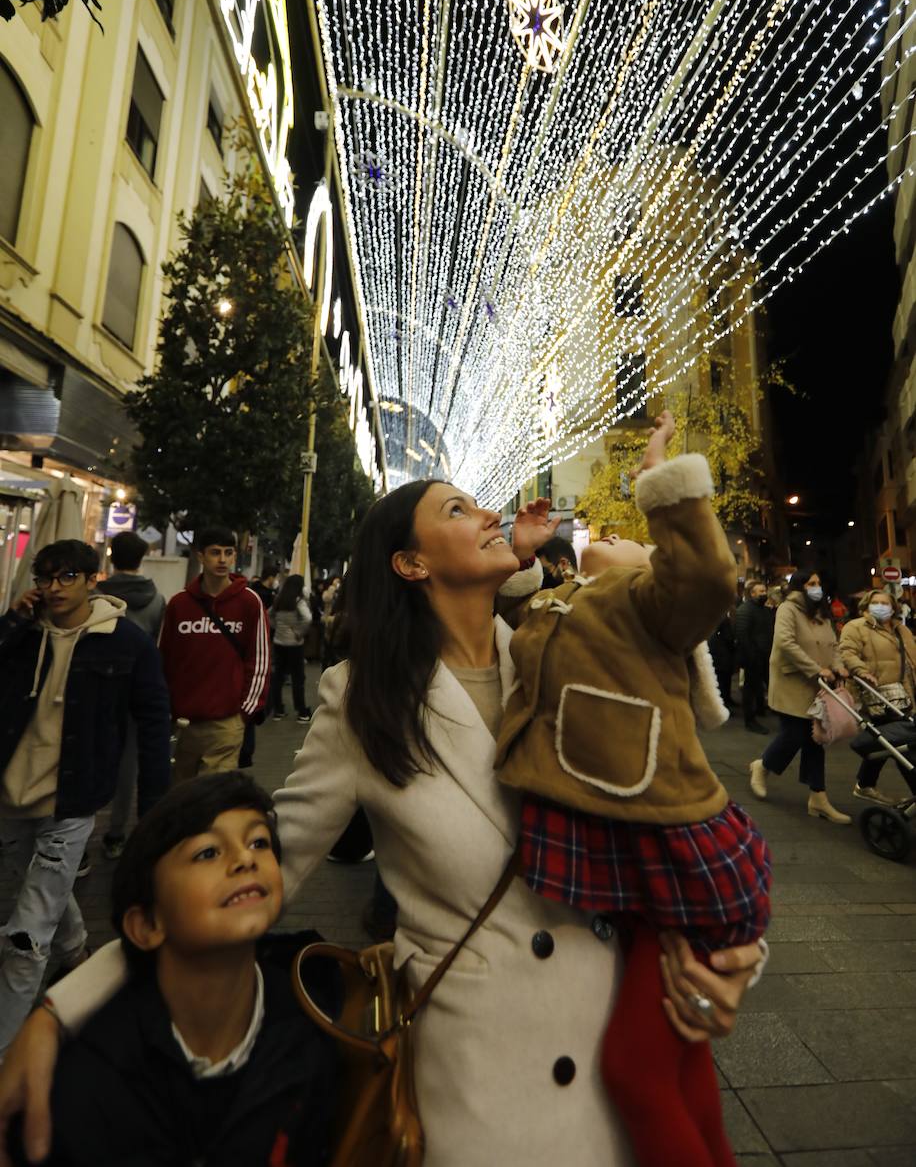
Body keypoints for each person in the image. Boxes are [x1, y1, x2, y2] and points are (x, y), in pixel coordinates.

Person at [0, 492, 765, 1167]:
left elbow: (674, 815)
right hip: (483, 1091)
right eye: (459, 511)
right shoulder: (364, 699)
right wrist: (65, 1006)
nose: (491, 514)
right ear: (409, 563)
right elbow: (266, 863)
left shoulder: (565, 654)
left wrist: (730, 959)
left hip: (623, 1074)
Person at [494, 413, 771, 1167]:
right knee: (684, 1065)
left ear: (652, 569)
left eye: (632, 538)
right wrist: (522, 556)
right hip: (631, 848)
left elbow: (708, 575)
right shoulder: (566, 604)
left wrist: (662, 476)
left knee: (635, 1069)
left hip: (669, 844)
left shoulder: (651, 608)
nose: (609, 533)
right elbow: (520, 613)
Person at [9, 772, 335, 1166]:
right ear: (146, 925)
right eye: (207, 852)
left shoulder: (310, 1030)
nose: (246, 858)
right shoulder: (86, 1085)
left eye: (259, 842)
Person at [0, 539, 171, 1056]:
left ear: (92, 579)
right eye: (46, 576)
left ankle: (5, 1050)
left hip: (73, 799)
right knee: (40, 887)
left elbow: (154, 718)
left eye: (66, 577)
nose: (53, 588)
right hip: (10, 794)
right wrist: (11, 621)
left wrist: (155, 810)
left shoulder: (124, 642)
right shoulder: (24, 631)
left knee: (26, 935)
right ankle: (77, 951)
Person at [158, 527, 270, 781]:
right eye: (215, 553)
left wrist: (244, 713)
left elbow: (260, 661)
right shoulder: (179, 604)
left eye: (228, 553)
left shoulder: (249, 602)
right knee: (181, 796)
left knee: (213, 796)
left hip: (226, 723)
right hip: (183, 723)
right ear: (201, 556)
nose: (222, 559)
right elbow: (165, 658)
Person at [750, 569, 851, 823]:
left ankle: (818, 797)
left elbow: (833, 645)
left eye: (818, 582)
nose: (817, 587)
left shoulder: (821, 613)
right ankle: (762, 766)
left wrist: (838, 665)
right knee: (794, 734)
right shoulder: (788, 609)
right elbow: (786, 643)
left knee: (816, 738)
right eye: (811, 583)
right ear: (799, 586)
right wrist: (816, 669)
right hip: (793, 683)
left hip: (819, 685)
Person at [98, 532, 167, 860]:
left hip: (97, 685)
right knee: (129, 763)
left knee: (87, 755)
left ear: (111, 557)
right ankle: (116, 832)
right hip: (139, 688)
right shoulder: (156, 599)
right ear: (142, 558)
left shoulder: (95, 596)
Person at [839, 588, 916, 804]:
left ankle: (865, 784)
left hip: (904, 695)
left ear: (894, 608)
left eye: (885, 603)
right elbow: (846, 652)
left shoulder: (902, 630)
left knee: (885, 740)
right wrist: (861, 671)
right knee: (903, 743)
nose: (881, 606)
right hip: (876, 696)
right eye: (876, 602)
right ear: (866, 605)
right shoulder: (855, 627)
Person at [268, 575, 312, 723]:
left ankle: (278, 710)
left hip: (279, 643)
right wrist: (299, 632)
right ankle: (302, 712)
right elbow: (307, 618)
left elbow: (269, 616)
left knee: (278, 677)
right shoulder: (298, 601)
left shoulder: (278, 600)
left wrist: (278, 628)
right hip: (294, 644)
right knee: (297, 678)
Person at [734, 580, 775, 736]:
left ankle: (760, 709)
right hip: (753, 658)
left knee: (764, 686)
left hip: (765, 656)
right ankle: (750, 720)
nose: (764, 593)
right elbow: (743, 636)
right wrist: (751, 656)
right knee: (750, 689)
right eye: (760, 591)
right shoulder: (745, 610)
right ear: (752, 594)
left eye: (765, 590)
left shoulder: (764, 610)